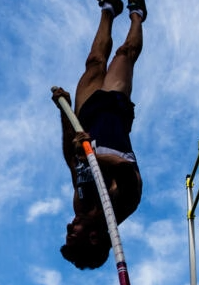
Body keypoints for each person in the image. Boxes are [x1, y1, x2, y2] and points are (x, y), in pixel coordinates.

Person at [52, 0, 146, 270]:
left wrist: (65, 111)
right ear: (94, 238)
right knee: (123, 55)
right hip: (114, 113)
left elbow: (73, 160)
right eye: (73, 234)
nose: (69, 226)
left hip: (87, 117)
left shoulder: (80, 205)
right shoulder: (119, 206)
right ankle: (137, 15)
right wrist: (90, 154)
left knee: (94, 62)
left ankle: (109, 9)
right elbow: (127, 171)